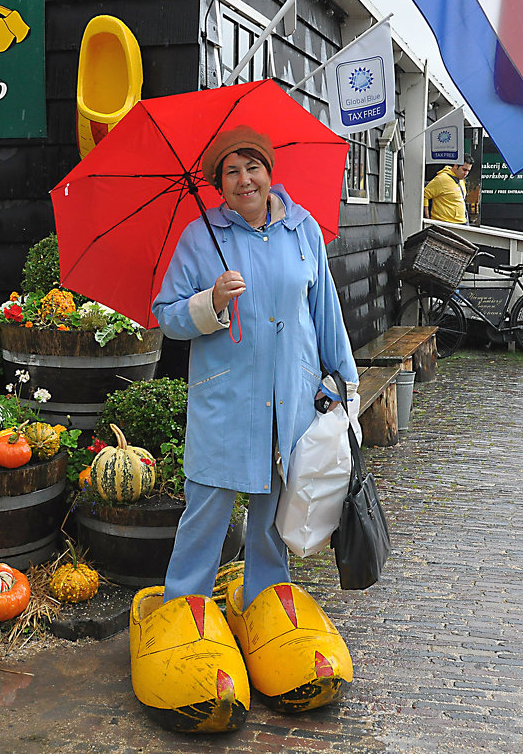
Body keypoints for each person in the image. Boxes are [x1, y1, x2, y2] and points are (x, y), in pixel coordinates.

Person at [131, 125, 358, 733]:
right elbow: (167, 316)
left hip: (291, 395)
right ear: (219, 182)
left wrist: (344, 379)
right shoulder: (202, 238)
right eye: (231, 172)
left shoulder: (302, 229)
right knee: (206, 509)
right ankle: (185, 614)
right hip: (226, 401)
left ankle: (266, 613)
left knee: (271, 512)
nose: (244, 180)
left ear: (269, 170)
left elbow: (324, 309)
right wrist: (210, 300)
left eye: (252, 167)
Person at [423, 154, 472, 225]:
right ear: (456, 166)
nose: (466, 173)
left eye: (468, 171)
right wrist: (427, 218)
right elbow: (425, 195)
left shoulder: (461, 180)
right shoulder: (442, 179)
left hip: (461, 222)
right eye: (464, 170)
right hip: (445, 223)